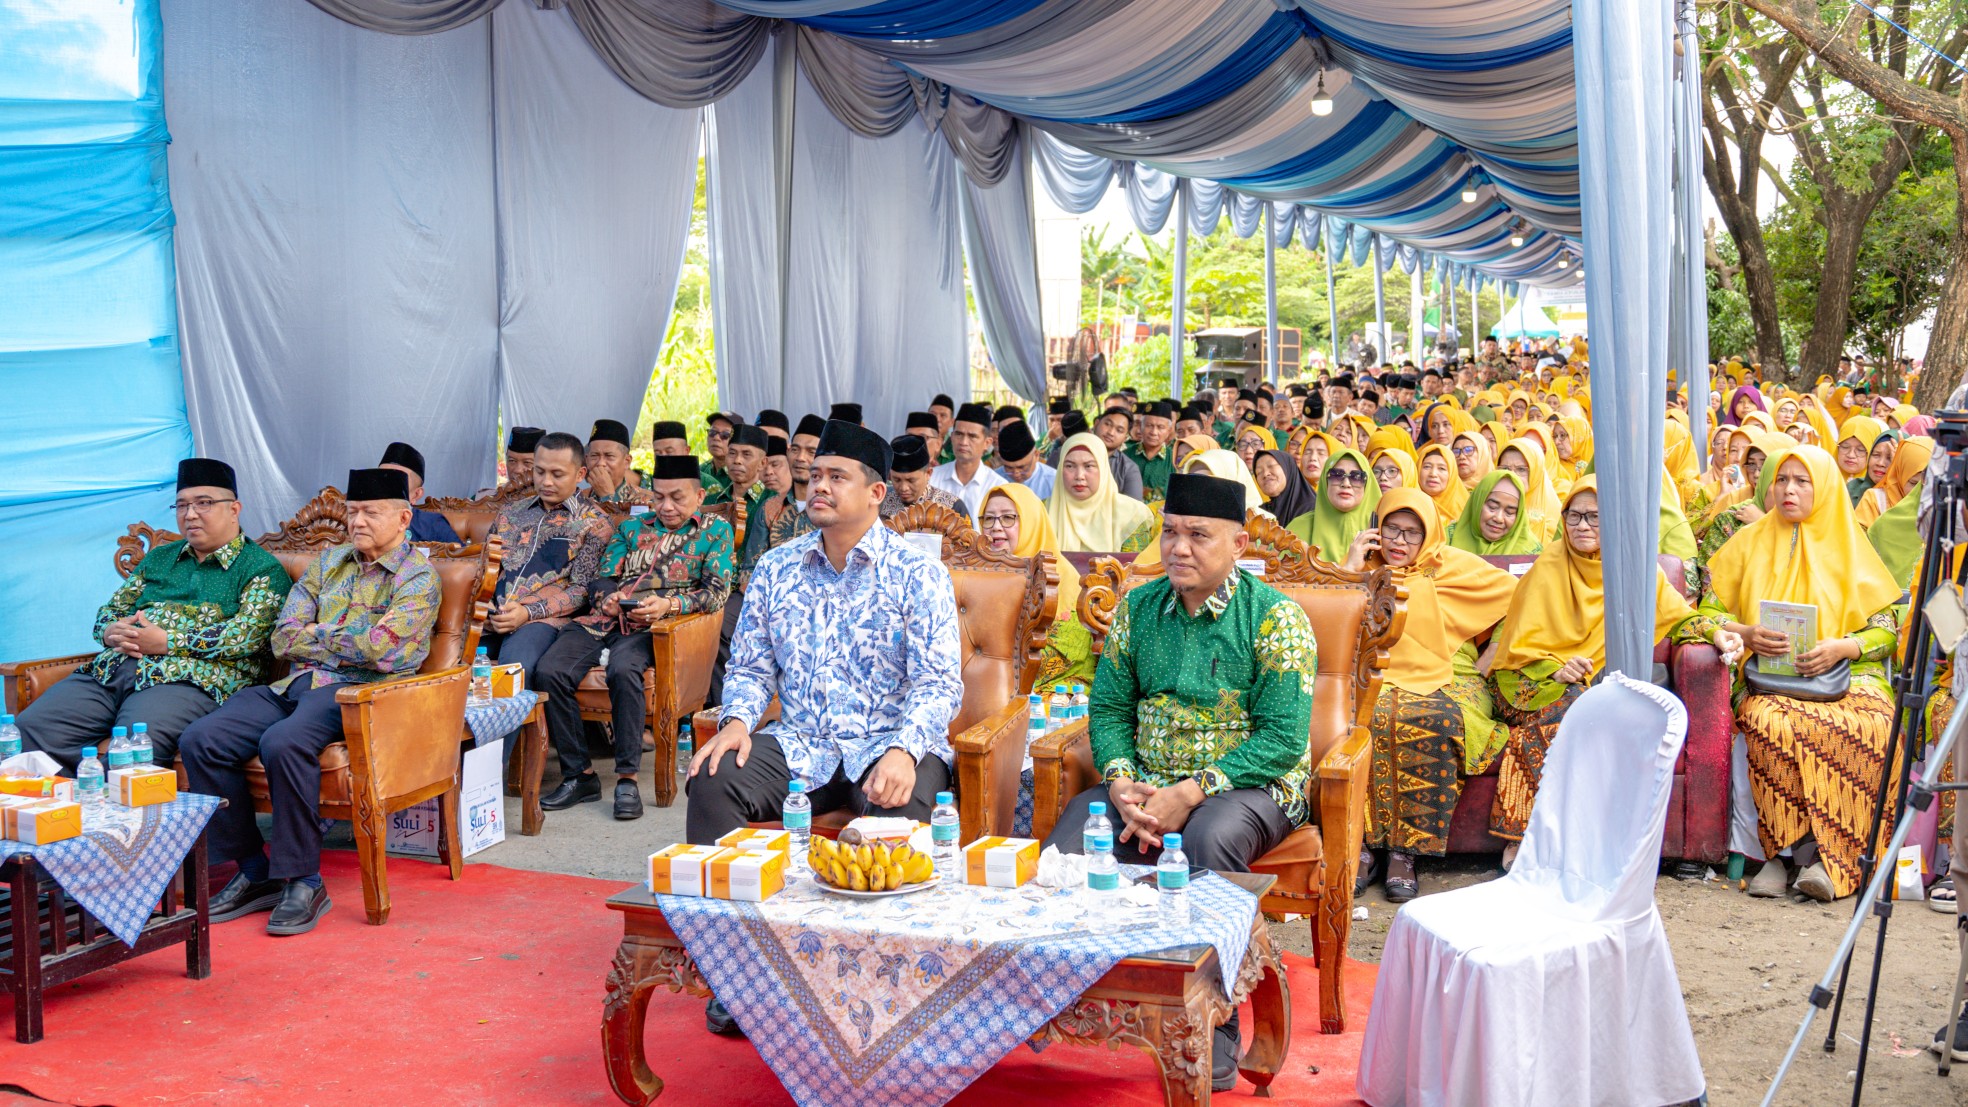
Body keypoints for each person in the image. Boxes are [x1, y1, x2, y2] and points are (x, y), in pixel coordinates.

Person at [1040, 471, 1317, 1091]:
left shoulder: (1276, 619)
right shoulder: (1138, 609)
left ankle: (1213, 1025)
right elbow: (1108, 709)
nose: (1178, 548)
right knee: (1069, 844)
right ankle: (1066, 1000)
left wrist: (1191, 792)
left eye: (1198, 535)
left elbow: (1281, 741)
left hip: (1251, 787)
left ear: (1239, 545)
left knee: (1209, 841)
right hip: (1147, 783)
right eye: (1170, 533)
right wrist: (1119, 783)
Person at [687, 422, 964, 1037]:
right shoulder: (776, 569)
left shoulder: (917, 575)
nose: (819, 487)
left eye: (836, 477)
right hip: (802, 743)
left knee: (900, 814)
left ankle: (893, 976)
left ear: (875, 492)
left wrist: (904, 749)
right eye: (816, 476)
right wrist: (735, 722)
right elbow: (752, 664)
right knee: (713, 780)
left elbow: (940, 683)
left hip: (890, 745)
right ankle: (738, 973)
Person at [182, 468, 441, 936]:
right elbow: (283, 639)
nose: (357, 521)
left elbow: (383, 651)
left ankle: (303, 880)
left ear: (403, 518)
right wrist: (342, 639)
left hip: (359, 695)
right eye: (353, 511)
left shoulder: (418, 577)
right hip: (298, 686)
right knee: (203, 737)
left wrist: (317, 634)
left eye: (371, 512)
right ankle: (253, 872)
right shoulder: (329, 562)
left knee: (283, 742)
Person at [1487, 477, 1733, 865]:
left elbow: (1680, 617)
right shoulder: (1550, 565)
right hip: (1527, 682)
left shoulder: (1633, 571)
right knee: (1576, 712)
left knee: (1582, 712)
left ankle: (1532, 838)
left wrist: (1716, 633)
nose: (1582, 526)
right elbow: (1517, 651)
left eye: (1596, 517)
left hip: (1590, 686)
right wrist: (1555, 669)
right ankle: (1542, 839)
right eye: (1574, 515)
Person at [1703, 446, 1903, 902]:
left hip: (1847, 677)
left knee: (1873, 725)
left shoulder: (1852, 544)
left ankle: (1829, 860)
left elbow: (1886, 629)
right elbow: (1707, 613)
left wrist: (1844, 647)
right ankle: (1780, 852)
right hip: (1771, 678)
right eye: (1782, 480)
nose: (1789, 490)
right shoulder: (1749, 542)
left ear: (1826, 487)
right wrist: (1746, 632)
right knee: (1768, 722)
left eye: (1802, 481)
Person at [15, 459, 292, 772]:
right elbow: (111, 611)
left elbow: (247, 638)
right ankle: (63, 816)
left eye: (205, 503)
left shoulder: (260, 569)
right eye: (182, 505)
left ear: (234, 509)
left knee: (134, 752)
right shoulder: (160, 559)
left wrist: (168, 641)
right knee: (27, 733)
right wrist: (110, 632)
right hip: (114, 671)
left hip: (192, 681)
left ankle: (125, 820)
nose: (190, 514)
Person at [535, 455, 735, 819]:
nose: (666, 506)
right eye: (659, 497)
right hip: (605, 619)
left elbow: (716, 594)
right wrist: (606, 596)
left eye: (677, 497)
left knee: (624, 670)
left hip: (656, 627)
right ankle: (579, 775)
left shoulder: (715, 530)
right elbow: (603, 577)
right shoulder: (632, 527)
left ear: (700, 494)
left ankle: (626, 778)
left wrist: (669, 606)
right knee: (549, 671)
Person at [1342, 488, 1517, 901]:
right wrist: (1350, 571)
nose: (1400, 542)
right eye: (1392, 530)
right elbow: (1331, 622)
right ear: (1376, 529)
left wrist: (1490, 655)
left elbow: (1517, 595)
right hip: (1370, 669)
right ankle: (1362, 848)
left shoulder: (1448, 566)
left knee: (1434, 720)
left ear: (1430, 536)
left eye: (1412, 534)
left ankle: (1406, 852)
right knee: (1362, 720)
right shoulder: (1361, 568)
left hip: (1447, 671)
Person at [478, 432, 613, 762]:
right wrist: (484, 610)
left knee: (513, 668)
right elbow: (485, 571)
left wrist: (526, 612)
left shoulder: (594, 523)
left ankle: (487, 776)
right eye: (540, 471)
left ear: (580, 475)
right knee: (447, 665)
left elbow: (581, 591)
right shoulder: (510, 514)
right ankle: (439, 771)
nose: (545, 481)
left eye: (557, 474)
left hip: (543, 622)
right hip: (491, 616)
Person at [978, 484, 1091, 705]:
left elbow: (1070, 661)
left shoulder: (1061, 577)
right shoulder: (976, 575)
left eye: (1008, 518)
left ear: (1032, 522)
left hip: (1051, 694)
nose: (996, 527)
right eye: (988, 519)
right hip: (988, 691)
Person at [1049, 433, 1160, 554]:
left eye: (1089, 466)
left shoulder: (1132, 515)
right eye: (1070, 466)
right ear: (1060, 469)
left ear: (1103, 469)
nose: (1079, 476)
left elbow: (1135, 567)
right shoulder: (1043, 511)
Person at [1290, 448, 1381, 562]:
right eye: (1336, 475)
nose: (1346, 484)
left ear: (1367, 484)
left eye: (1357, 477)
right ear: (1325, 481)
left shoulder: (1383, 530)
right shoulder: (1297, 529)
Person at [930, 402, 1008, 518]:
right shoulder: (932, 478)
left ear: (987, 443)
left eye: (972, 436)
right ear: (951, 437)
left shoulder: (997, 487)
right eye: (959, 434)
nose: (963, 442)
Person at [376, 441, 463, 545]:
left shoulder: (432, 524)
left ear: (416, 494)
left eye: (397, 481)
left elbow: (464, 557)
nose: (385, 487)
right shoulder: (359, 517)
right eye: (381, 478)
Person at [1445, 470, 1539, 556]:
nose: (1498, 518)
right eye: (1492, 507)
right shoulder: (1446, 541)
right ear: (1477, 504)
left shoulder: (1531, 554)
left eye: (1509, 512)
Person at [882, 433, 970, 522]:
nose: (904, 488)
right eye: (897, 480)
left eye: (911, 480)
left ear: (928, 473)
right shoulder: (879, 502)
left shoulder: (952, 507)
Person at [1855, 435, 1931, 527]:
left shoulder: (1942, 507)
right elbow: (1859, 538)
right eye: (1913, 483)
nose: (1921, 492)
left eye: (1929, 485)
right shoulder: (1875, 500)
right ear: (1900, 474)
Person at [586, 419, 653, 507]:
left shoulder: (644, 500)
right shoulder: (579, 498)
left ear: (627, 461)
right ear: (587, 460)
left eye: (609, 456)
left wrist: (608, 497)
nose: (600, 463)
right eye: (594, 455)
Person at [1124, 400, 1176, 503]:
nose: (1154, 432)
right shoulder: (1125, 456)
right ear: (1141, 427)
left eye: (1160, 427)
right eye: (1149, 425)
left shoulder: (1175, 460)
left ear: (1169, 431)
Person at [1092, 407, 1147, 501]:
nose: (1111, 432)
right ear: (1096, 423)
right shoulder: (1070, 453)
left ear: (1125, 438)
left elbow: (1133, 509)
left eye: (1119, 430)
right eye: (1108, 424)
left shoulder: (1129, 469)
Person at [1252, 449, 1317, 527]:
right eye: (1259, 472)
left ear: (1288, 468)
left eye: (1271, 466)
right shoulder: (1260, 513)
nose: (1265, 474)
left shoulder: (1311, 510)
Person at [476, 426, 543, 500]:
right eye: (512, 461)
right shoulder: (484, 499)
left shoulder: (552, 504)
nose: (518, 470)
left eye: (527, 462)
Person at [994, 419, 1056, 500]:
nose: (1016, 473)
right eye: (1009, 468)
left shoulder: (1054, 481)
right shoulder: (994, 481)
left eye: (1022, 467)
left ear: (1036, 455)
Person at [787, 413, 824, 509]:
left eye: (811, 452)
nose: (800, 457)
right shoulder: (770, 507)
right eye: (795, 450)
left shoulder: (834, 512)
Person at [701, 412, 739, 502]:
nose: (716, 438)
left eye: (725, 435)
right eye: (712, 432)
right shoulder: (699, 471)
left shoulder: (742, 475)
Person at [930, 393, 958, 462]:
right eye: (933, 414)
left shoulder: (956, 446)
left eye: (943, 415)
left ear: (952, 422)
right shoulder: (918, 441)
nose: (937, 419)